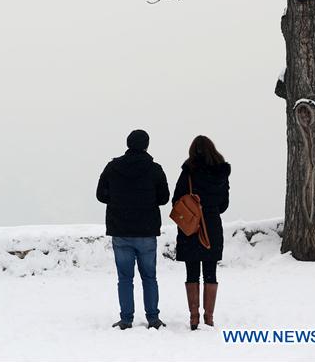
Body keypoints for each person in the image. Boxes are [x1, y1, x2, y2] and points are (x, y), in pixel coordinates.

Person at [96, 129, 170, 330]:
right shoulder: (154, 169)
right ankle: (153, 318)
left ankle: (126, 319)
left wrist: (118, 199)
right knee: (149, 277)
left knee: (125, 278)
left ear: (128, 144)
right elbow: (164, 198)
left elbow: (100, 195)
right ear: (146, 145)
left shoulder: (112, 167)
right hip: (146, 230)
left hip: (120, 229)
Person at [172, 135, 231, 330]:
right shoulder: (221, 174)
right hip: (212, 225)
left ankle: (194, 317)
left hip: (191, 227)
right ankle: (210, 317)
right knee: (210, 272)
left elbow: (176, 201)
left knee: (192, 272)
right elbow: (224, 205)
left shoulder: (188, 172)